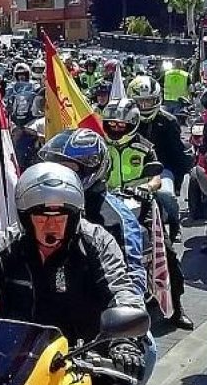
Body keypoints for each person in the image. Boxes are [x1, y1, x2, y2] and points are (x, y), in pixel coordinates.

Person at [0, 163, 152, 383]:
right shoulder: (4, 245)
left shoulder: (96, 243)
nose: (51, 225)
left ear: (74, 216)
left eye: (60, 217)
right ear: (25, 217)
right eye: (41, 217)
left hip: (83, 359)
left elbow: (121, 288)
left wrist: (125, 342)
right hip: (17, 360)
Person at [41, 128, 193, 332]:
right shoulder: (43, 207)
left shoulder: (143, 149)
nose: (116, 127)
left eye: (68, 169)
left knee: (165, 252)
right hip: (54, 318)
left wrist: (126, 321)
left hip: (135, 203)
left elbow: (129, 278)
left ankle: (176, 307)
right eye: (112, 123)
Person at [127, 77, 187, 236]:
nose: (145, 105)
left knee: (166, 194)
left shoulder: (169, 120)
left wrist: (177, 182)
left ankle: (175, 223)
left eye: (149, 101)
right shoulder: (126, 120)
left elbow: (177, 154)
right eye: (141, 102)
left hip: (162, 168)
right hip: (132, 169)